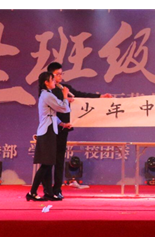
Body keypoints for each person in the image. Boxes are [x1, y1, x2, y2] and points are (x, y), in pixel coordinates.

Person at [48, 62, 111, 199]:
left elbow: (81, 96)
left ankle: (57, 189)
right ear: (50, 75)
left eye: (61, 74)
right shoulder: (48, 91)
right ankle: (46, 190)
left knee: (59, 160)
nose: (60, 77)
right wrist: (65, 98)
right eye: (57, 74)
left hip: (64, 129)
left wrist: (100, 97)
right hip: (50, 128)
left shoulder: (66, 88)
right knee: (47, 162)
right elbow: (53, 107)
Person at [26, 71, 74, 201]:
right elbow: (63, 108)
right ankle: (32, 192)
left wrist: (62, 124)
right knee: (47, 164)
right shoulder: (47, 95)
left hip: (50, 130)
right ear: (46, 82)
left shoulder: (48, 95)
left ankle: (47, 192)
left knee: (48, 163)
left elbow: (52, 115)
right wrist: (65, 96)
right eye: (53, 80)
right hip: (47, 132)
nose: (55, 82)